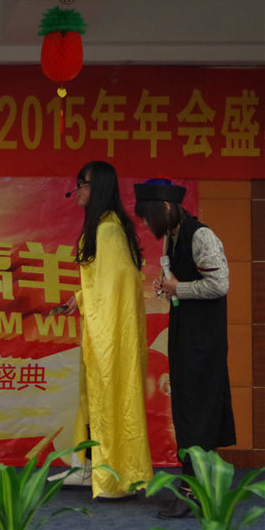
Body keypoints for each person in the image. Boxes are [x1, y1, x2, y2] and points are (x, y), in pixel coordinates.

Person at [134, 178, 235, 519]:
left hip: (203, 340)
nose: (147, 224)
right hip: (185, 333)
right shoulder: (173, 237)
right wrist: (168, 287)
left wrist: (179, 288)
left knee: (197, 411)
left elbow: (219, 284)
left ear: (165, 207)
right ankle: (199, 485)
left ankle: (195, 491)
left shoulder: (201, 235)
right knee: (188, 408)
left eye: (149, 217)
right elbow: (185, 282)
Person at [51, 160, 153, 500]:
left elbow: (114, 289)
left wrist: (90, 304)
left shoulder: (108, 231)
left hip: (110, 334)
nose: (77, 191)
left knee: (107, 398)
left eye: (83, 184)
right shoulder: (106, 226)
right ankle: (87, 467)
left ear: (100, 188)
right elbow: (105, 283)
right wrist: (81, 297)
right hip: (102, 330)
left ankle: (113, 476)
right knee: (92, 398)